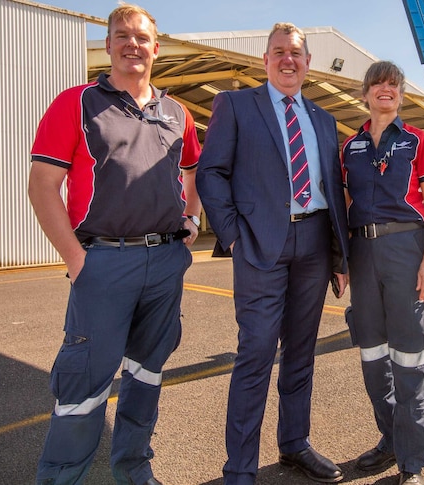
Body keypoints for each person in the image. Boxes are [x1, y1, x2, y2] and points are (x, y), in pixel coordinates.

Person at [28, 4, 202, 484]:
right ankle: (60, 477)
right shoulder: (76, 103)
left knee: (147, 375)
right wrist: (76, 258)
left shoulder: (177, 113)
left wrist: (189, 217)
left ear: (155, 48)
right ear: (107, 45)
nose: (132, 45)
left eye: (141, 37)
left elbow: (193, 170)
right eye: (122, 36)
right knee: (83, 384)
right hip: (103, 262)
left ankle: (133, 470)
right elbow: (43, 185)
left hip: (165, 261)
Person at [196, 22, 350, 485]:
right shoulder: (237, 105)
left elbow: (334, 188)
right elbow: (211, 173)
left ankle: (294, 444)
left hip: (315, 243)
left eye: (296, 53)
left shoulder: (323, 119)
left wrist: (340, 258)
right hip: (261, 245)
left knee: (301, 353)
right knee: (256, 354)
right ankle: (239, 468)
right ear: (265, 61)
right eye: (279, 52)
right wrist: (234, 236)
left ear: (307, 63)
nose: (288, 60)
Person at [340, 61, 424, 485]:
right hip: (362, 252)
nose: (386, 90)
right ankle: (390, 439)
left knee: (410, 356)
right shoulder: (349, 148)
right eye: (378, 84)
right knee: (372, 355)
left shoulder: (419, 141)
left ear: (400, 94)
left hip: (406, 247)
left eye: (393, 85)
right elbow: (343, 205)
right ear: (365, 94)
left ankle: (411, 463)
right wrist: (342, 260)